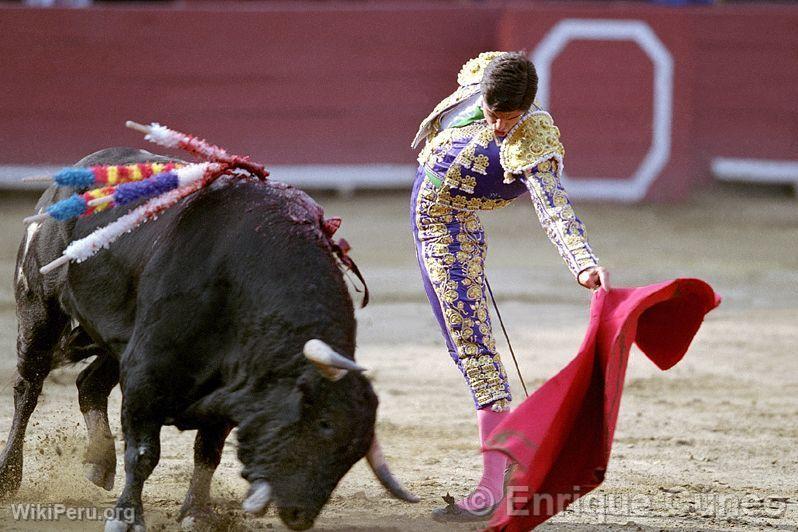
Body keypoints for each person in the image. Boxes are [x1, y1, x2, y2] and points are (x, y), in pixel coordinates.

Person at [410, 51, 610, 522]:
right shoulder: (489, 77)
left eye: (511, 117)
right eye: (496, 114)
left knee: (476, 353)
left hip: (449, 234)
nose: (501, 127)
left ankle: (491, 488)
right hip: (434, 225)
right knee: (470, 349)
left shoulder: (533, 138)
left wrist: (582, 262)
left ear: (527, 107)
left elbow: (551, 204)